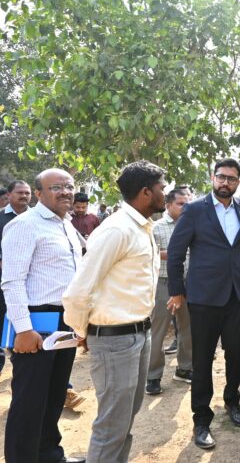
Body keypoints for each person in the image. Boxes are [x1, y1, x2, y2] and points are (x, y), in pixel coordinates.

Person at [63, 161, 166, 463]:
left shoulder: (142, 226)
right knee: (111, 426)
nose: (165, 193)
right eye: (162, 188)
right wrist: (84, 332)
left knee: (125, 421)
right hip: (114, 341)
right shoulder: (116, 230)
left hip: (140, 334)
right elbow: (79, 291)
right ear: (146, 192)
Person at [166, 158, 240, 450]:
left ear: (239, 182)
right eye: (221, 177)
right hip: (203, 298)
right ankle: (202, 419)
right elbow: (175, 253)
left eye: (232, 179)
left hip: (238, 295)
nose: (226, 183)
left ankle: (232, 401)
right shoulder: (195, 210)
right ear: (213, 178)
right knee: (202, 359)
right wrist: (177, 291)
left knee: (236, 353)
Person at [1, 169, 84, 463]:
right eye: (56, 187)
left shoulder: (67, 226)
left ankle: (49, 455)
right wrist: (23, 329)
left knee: (54, 395)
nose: (65, 192)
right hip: (37, 322)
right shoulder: (26, 225)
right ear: (39, 194)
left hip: (65, 321)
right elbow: (12, 281)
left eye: (69, 186)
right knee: (29, 401)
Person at [145, 188, 193, 395]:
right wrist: (175, 254)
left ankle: (184, 369)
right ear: (168, 205)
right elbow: (149, 254)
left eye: (188, 203)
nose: (186, 207)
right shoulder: (156, 228)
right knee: (158, 331)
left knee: (188, 329)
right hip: (163, 284)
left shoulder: (192, 225)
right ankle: (153, 376)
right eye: (181, 203)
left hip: (189, 283)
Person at [0, 180, 32, 375]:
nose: (24, 196)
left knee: (27, 331)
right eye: (20, 192)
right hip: (4, 285)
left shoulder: (39, 219)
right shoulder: (1, 218)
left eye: (27, 193)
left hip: (30, 287)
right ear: (9, 196)